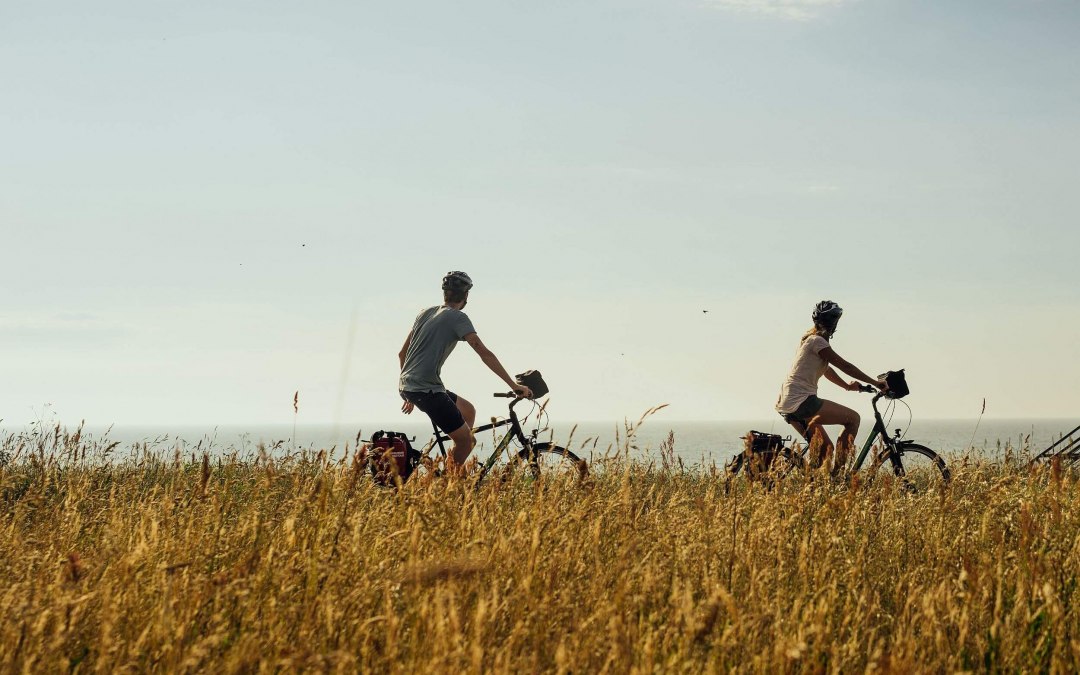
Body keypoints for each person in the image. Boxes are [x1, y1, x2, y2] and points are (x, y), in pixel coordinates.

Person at [398, 271, 532, 472]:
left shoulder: (425, 313)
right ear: (466, 296)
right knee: (467, 441)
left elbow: (402, 354)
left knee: (468, 411)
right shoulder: (458, 318)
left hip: (412, 385)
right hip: (426, 390)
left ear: (445, 293)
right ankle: (446, 489)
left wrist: (408, 390)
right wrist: (514, 386)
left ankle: (453, 469)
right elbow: (483, 352)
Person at [775, 301, 885, 474]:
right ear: (834, 323)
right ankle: (837, 478)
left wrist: (847, 387)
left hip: (787, 402)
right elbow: (845, 366)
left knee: (825, 450)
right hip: (803, 402)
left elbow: (827, 370)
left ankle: (814, 485)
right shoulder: (818, 341)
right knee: (853, 419)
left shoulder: (808, 340)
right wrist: (876, 382)